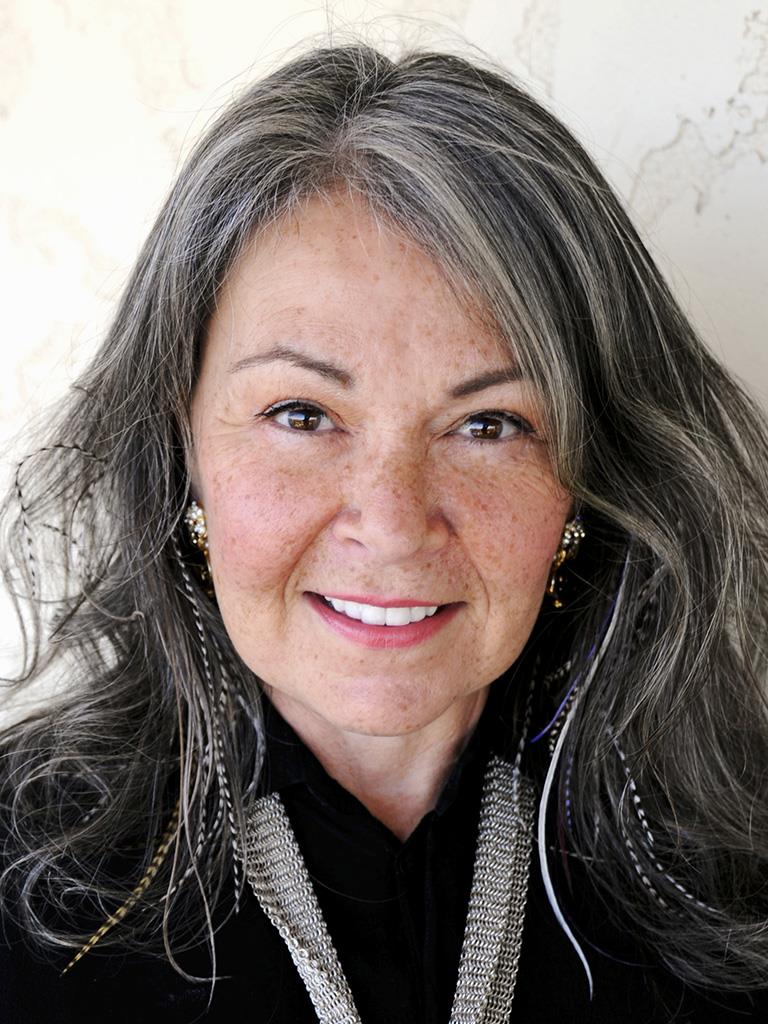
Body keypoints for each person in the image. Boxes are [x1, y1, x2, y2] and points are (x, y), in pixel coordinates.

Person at [0, 42, 766, 1023]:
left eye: (488, 425)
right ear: (179, 448)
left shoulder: (738, 876)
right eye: (302, 415)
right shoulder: (20, 893)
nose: (395, 527)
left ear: (583, 483)